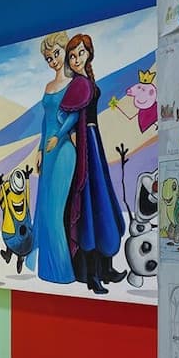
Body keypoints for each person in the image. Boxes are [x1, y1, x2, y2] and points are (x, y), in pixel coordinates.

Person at [60, 34, 126, 294]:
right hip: (85, 148)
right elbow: (67, 117)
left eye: (80, 53)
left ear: (89, 54)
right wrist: (73, 139)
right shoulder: (77, 85)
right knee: (89, 208)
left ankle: (105, 268)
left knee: (102, 206)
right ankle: (92, 275)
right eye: (72, 55)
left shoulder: (87, 81)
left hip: (94, 144)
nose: (76, 59)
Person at [32, 31, 76, 284]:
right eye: (48, 58)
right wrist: (40, 149)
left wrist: (58, 137)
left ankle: (62, 272)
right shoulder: (48, 87)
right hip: (47, 154)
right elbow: (45, 121)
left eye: (56, 54)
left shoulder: (74, 83)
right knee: (44, 210)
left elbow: (73, 116)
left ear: (64, 50)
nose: (53, 61)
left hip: (63, 151)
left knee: (54, 212)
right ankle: (48, 270)